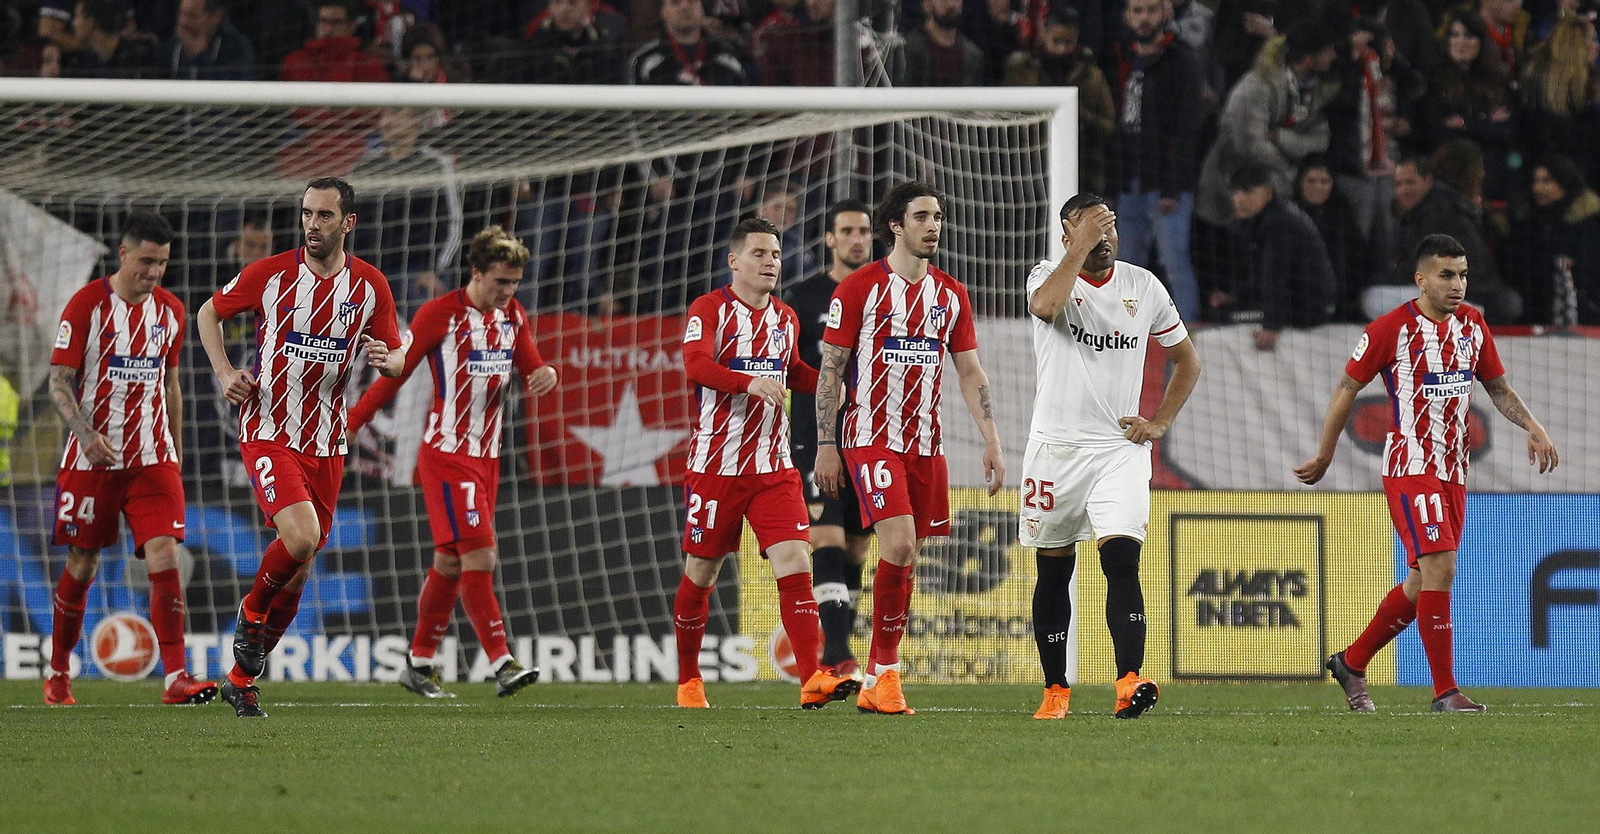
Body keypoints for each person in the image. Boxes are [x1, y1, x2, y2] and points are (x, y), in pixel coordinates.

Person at [1296, 233, 1559, 713]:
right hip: (1411, 465)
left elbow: (1497, 388)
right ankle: (1445, 692)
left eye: (1462, 275)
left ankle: (1352, 663)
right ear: (1421, 280)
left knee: (1422, 581)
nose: (1457, 284)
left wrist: (1533, 425)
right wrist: (1325, 453)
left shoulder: (1474, 325)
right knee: (1441, 567)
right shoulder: (1389, 329)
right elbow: (1345, 388)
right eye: (1446, 275)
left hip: (1453, 471)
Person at [196, 177, 405, 718]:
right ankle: (251, 610)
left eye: (324, 216)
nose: (312, 224)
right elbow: (208, 313)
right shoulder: (271, 275)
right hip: (269, 428)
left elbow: (400, 357)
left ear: (348, 223)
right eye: (307, 213)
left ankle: (241, 679)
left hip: (329, 441)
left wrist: (386, 357)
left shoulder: (370, 287)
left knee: (304, 562)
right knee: (303, 536)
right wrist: (224, 373)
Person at [814, 181, 1005, 715]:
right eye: (922, 216)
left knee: (909, 555)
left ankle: (877, 676)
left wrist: (992, 440)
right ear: (895, 226)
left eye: (938, 216)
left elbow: (969, 371)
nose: (934, 225)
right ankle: (888, 674)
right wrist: (826, 445)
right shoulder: (858, 290)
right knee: (898, 546)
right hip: (870, 438)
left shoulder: (951, 295)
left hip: (925, 444)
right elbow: (830, 371)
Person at [347, 227, 553, 699]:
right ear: (476, 272)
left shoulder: (513, 315)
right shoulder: (439, 313)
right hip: (447, 455)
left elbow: (532, 365)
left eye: (515, 284)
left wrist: (545, 372)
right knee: (480, 553)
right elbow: (395, 372)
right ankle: (502, 662)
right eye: (501, 282)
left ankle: (418, 664)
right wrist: (356, 419)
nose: (508, 292)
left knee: (449, 561)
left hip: (489, 458)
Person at [1021, 195, 1202, 720]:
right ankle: (1056, 689)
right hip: (1055, 449)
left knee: (1121, 558)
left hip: (1119, 449)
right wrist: (1076, 251)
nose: (1105, 237)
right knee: (1054, 569)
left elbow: (1186, 360)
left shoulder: (1143, 286)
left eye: (1111, 227)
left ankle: (1128, 681)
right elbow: (1047, 309)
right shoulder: (1046, 276)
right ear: (1067, 237)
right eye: (1091, 229)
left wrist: (1161, 421)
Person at [672, 217, 859, 709]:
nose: (770, 263)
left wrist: (828, 384)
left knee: (796, 560)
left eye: (775, 255)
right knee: (701, 573)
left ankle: (812, 678)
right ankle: (689, 680)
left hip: (774, 468)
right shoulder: (709, 308)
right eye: (759, 254)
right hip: (717, 467)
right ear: (734, 260)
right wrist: (744, 381)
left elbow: (792, 369)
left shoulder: (785, 317)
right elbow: (694, 364)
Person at [44, 211, 217, 707]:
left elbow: (171, 384)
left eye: (162, 263)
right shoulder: (86, 306)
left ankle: (176, 678)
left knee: (165, 555)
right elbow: (59, 381)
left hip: (152, 458)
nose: (155, 272)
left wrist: (177, 450)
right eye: (146, 261)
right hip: (92, 460)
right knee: (82, 563)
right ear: (123, 254)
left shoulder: (170, 312)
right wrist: (85, 433)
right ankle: (58, 671)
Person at [785, 199, 875, 678]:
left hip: (869, 439)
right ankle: (838, 655)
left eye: (863, 230)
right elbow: (790, 367)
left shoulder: (882, 296)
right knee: (826, 540)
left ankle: (839, 647)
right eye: (847, 231)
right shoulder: (805, 297)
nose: (857, 238)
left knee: (858, 549)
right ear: (830, 239)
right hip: (814, 438)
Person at [1107, 0, 1206, 322]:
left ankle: (1187, 341)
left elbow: (1187, 129)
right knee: (1125, 267)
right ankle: (1124, 335)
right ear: (1126, 15)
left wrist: (1173, 187)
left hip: (1166, 184)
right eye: (1137, 11)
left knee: (1175, 262)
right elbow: (1117, 127)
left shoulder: (1183, 60)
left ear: (1166, 12)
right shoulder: (1121, 57)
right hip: (1129, 181)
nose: (1144, 18)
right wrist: (1113, 183)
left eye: (1151, 10)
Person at [1219, 164, 1337, 350]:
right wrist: (1236, 296)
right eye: (1236, 192)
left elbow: (1275, 275)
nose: (1240, 198)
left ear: (1268, 193)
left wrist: (1271, 326)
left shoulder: (1281, 223)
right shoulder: (1262, 218)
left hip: (1309, 310)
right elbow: (1263, 273)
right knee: (1224, 310)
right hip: (1299, 301)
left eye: (1248, 191)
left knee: (1224, 317)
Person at [627, 0, 751, 86]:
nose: (685, 7)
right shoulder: (642, 61)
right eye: (676, 2)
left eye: (692, 1)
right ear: (663, 12)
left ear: (702, 9)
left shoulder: (728, 57)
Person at [163, 0, 257, 80]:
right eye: (182, 14)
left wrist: (201, 56)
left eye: (192, 16)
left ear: (216, 17)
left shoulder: (237, 48)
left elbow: (236, 91)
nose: (183, 22)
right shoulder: (169, 45)